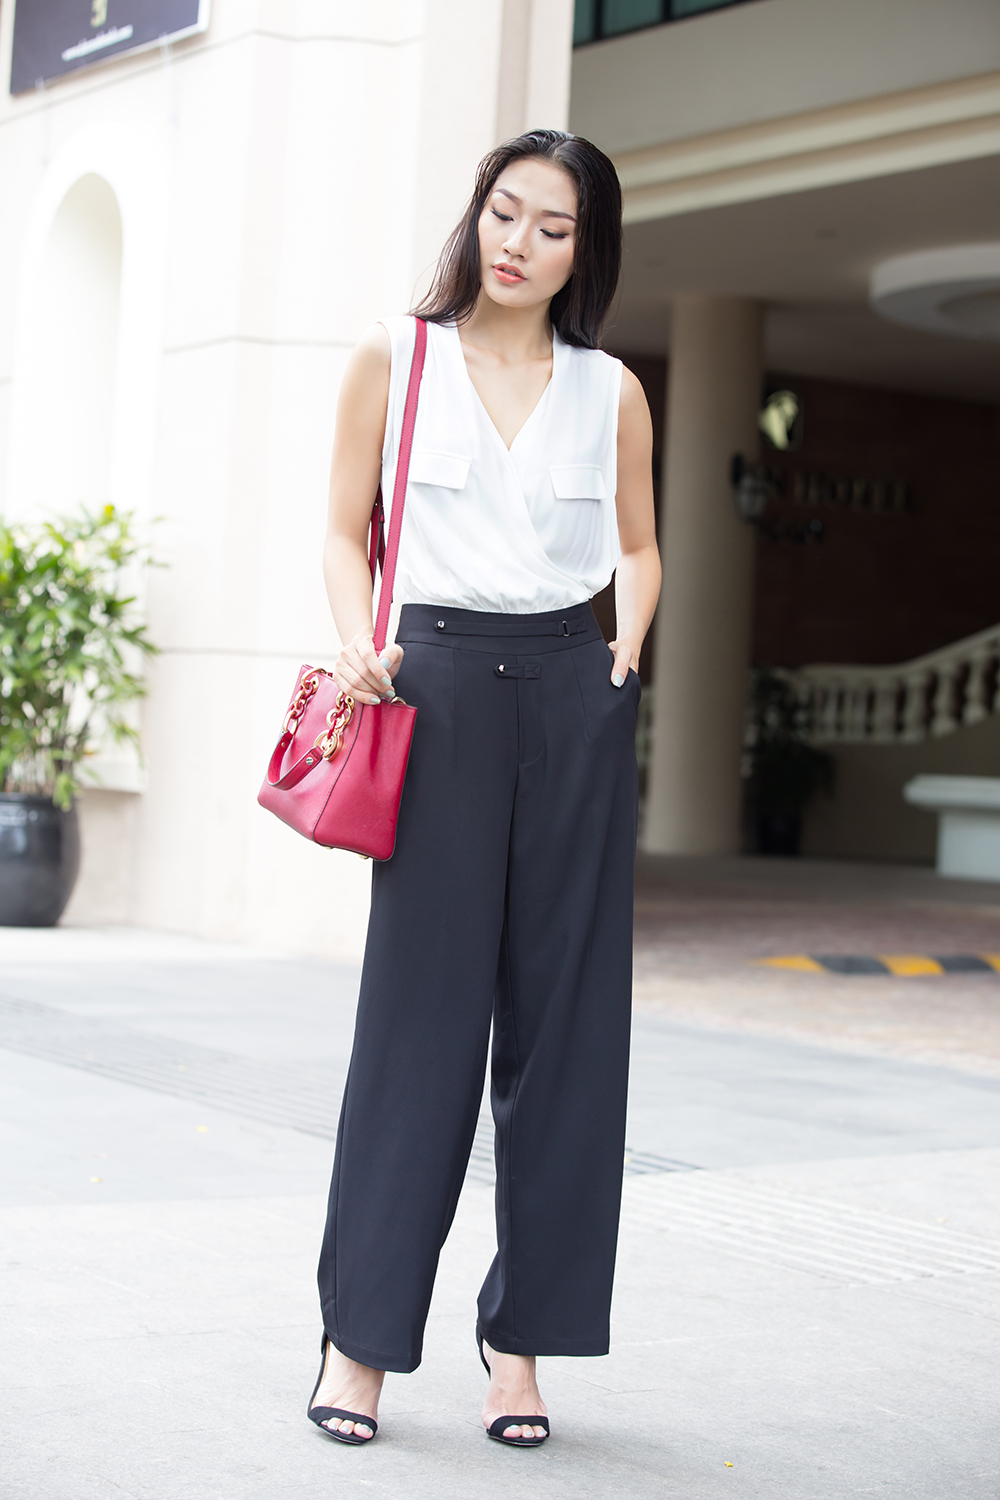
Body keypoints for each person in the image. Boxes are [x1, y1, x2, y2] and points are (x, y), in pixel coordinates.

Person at [308, 128, 660, 1448]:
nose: (518, 242)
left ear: (584, 252)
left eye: (552, 227)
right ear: (477, 216)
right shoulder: (394, 360)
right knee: (421, 1026)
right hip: (436, 684)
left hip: (574, 688)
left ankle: (522, 1350)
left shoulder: (611, 391)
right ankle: (359, 1344)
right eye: (505, 212)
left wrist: (627, 649)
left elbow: (640, 544)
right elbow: (342, 530)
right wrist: (358, 641)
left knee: (572, 1035)